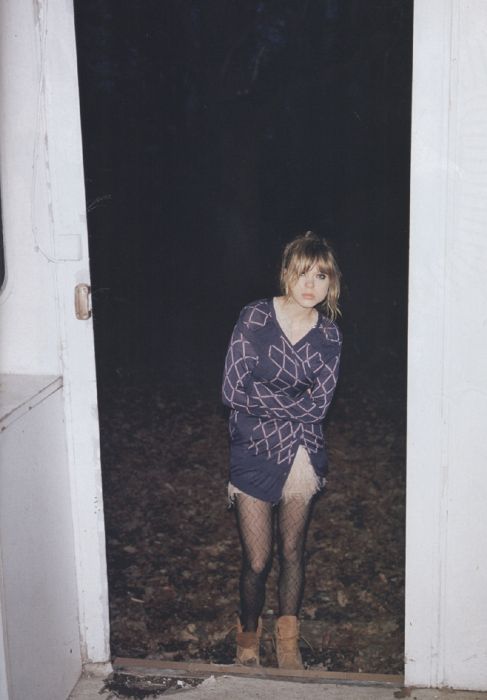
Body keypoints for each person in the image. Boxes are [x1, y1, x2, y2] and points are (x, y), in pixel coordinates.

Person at [221, 231, 342, 669]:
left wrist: (263, 397)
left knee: (293, 552)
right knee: (258, 559)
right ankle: (248, 636)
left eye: (321, 276)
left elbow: (319, 407)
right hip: (253, 448)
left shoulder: (329, 336)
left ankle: (287, 643)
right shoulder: (255, 317)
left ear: (331, 284)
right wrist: (293, 402)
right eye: (303, 273)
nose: (310, 284)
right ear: (286, 273)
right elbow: (232, 389)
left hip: (302, 453)